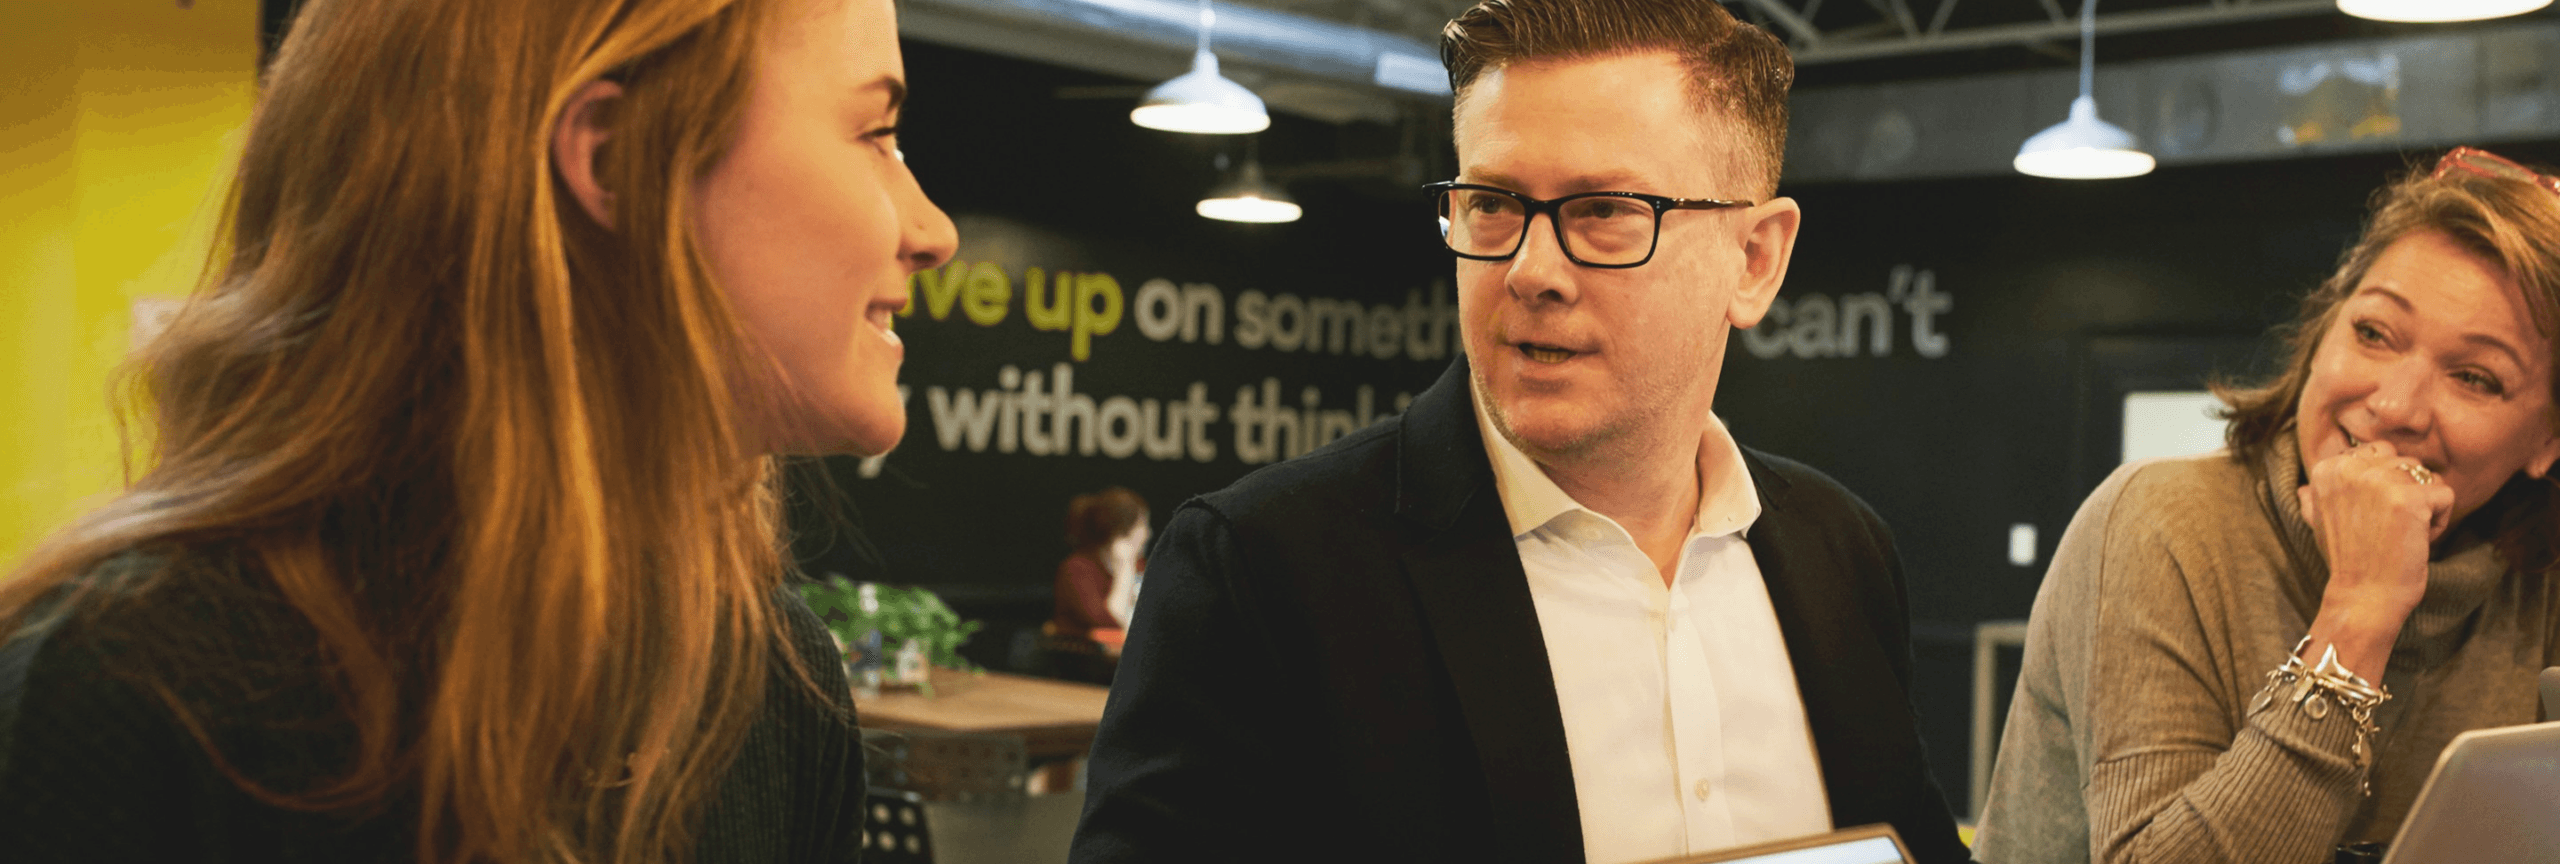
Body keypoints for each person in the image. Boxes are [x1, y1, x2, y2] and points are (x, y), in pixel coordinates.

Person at [0, 0, 957, 861]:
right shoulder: (134, 689)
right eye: (876, 133)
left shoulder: (776, 688)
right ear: (618, 161)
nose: (934, 232)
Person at [1072, 2, 1967, 862]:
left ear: (1755, 260)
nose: (1531, 270)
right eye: (1493, 204)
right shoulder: (1262, 571)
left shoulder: (1839, 550)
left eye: (1604, 210)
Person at [1973, 146, 2560, 864]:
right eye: (2373, 333)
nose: (2395, 406)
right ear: (2322, 332)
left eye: (2474, 377)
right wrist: (2361, 611)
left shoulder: (2537, 582)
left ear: (2548, 441)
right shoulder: (2160, 522)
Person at [1051, 487, 1150, 645]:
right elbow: (1111, 622)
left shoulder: (1140, 566)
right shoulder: (1077, 570)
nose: (1147, 534)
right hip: (1089, 657)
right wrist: (1125, 567)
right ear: (1120, 533)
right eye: (1141, 525)